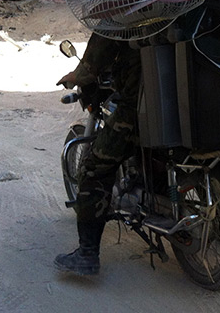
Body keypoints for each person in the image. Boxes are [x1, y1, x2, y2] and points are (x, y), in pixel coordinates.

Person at [54, 33, 141, 275]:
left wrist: (77, 75)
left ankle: (87, 253)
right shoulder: (191, 9)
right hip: (188, 108)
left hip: (138, 109)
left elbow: (94, 61)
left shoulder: (125, 11)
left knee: (93, 168)